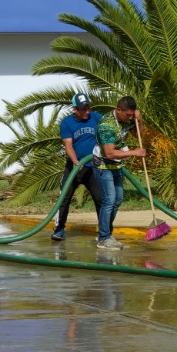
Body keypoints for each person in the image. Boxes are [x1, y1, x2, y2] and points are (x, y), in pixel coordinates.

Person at [95, 94, 147, 247]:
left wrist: (139, 120)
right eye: (127, 115)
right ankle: (104, 237)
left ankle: (106, 233)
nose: (129, 118)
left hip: (117, 164)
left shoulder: (128, 119)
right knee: (109, 200)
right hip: (103, 164)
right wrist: (134, 152)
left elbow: (138, 134)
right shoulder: (107, 125)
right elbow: (109, 153)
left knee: (117, 200)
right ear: (118, 110)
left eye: (132, 115)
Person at [52, 92, 102, 243]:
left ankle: (105, 232)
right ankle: (59, 230)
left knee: (100, 199)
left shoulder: (96, 117)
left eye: (88, 107)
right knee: (64, 198)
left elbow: (112, 123)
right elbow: (68, 145)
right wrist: (75, 161)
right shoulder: (67, 123)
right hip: (74, 167)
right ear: (75, 109)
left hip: (92, 167)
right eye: (83, 109)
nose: (87, 111)